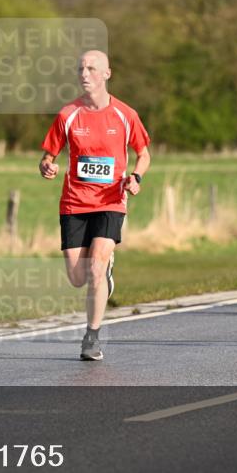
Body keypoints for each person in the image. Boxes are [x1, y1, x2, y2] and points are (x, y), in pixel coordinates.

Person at [39, 50, 151, 361]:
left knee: (96, 267)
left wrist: (136, 177)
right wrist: (47, 166)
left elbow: (143, 153)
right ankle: (103, 273)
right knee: (77, 278)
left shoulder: (125, 115)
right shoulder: (68, 114)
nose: (84, 74)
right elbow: (49, 155)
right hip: (74, 202)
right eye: (80, 69)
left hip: (111, 201)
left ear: (106, 74)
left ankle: (92, 336)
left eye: (91, 68)